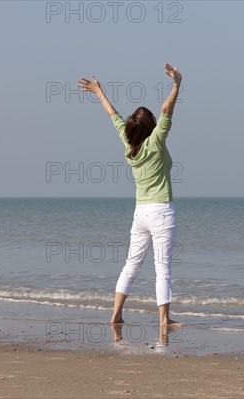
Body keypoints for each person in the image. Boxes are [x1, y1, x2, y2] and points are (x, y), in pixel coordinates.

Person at [78, 63, 182, 327]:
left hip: (140, 213)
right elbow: (166, 110)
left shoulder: (129, 145)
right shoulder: (156, 142)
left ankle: (116, 314)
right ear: (151, 127)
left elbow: (113, 116)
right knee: (163, 268)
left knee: (131, 264)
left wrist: (99, 92)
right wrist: (177, 84)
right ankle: (164, 320)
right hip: (161, 211)